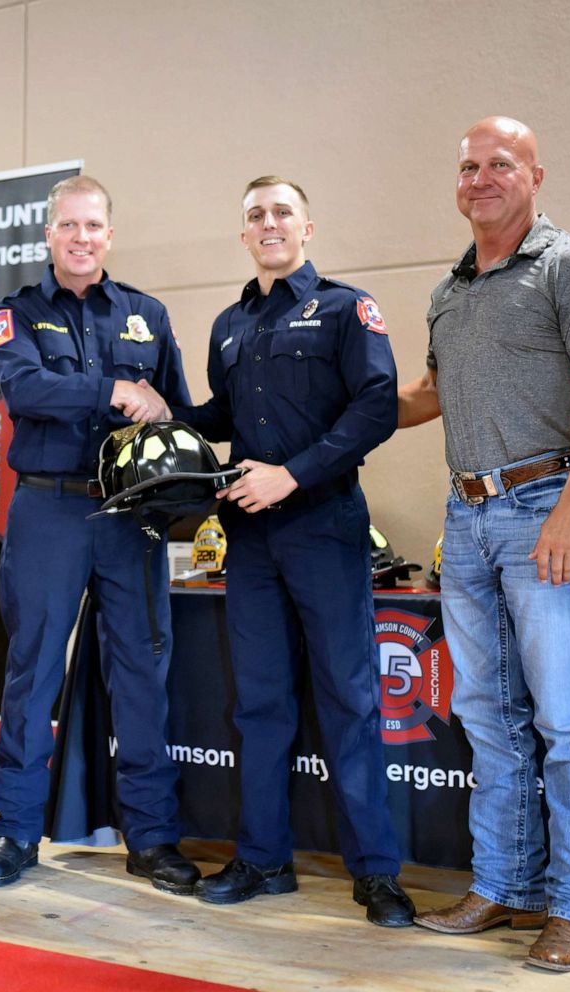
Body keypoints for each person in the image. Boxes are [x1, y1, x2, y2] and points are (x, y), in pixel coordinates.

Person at [398, 117, 570, 970]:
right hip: (465, 522)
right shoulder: (450, 290)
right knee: (487, 719)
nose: (480, 178)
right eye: (468, 166)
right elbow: (430, 392)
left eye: (499, 164)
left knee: (567, 721)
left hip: (547, 510)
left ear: (535, 174)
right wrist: (344, 406)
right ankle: (501, 886)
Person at [173, 176, 414, 927]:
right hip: (248, 540)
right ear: (244, 234)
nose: (268, 224)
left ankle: (376, 873)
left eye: (281, 212)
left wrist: (292, 475)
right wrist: (168, 415)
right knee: (261, 703)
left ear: (307, 226)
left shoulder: (347, 309)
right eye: (255, 216)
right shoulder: (227, 325)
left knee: (349, 697)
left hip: (326, 526)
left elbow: (377, 404)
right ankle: (263, 858)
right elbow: (224, 414)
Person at [0, 175, 200, 896]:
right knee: (33, 670)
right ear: (49, 234)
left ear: (110, 232)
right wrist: (112, 390)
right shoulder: (17, 313)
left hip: (130, 517)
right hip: (48, 513)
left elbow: (177, 413)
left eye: (93, 226)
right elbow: (26, 390)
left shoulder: (147, 314)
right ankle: (12, 833)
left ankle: (153, 838)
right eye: (68, 226)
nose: (81, 238)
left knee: (141, 673)